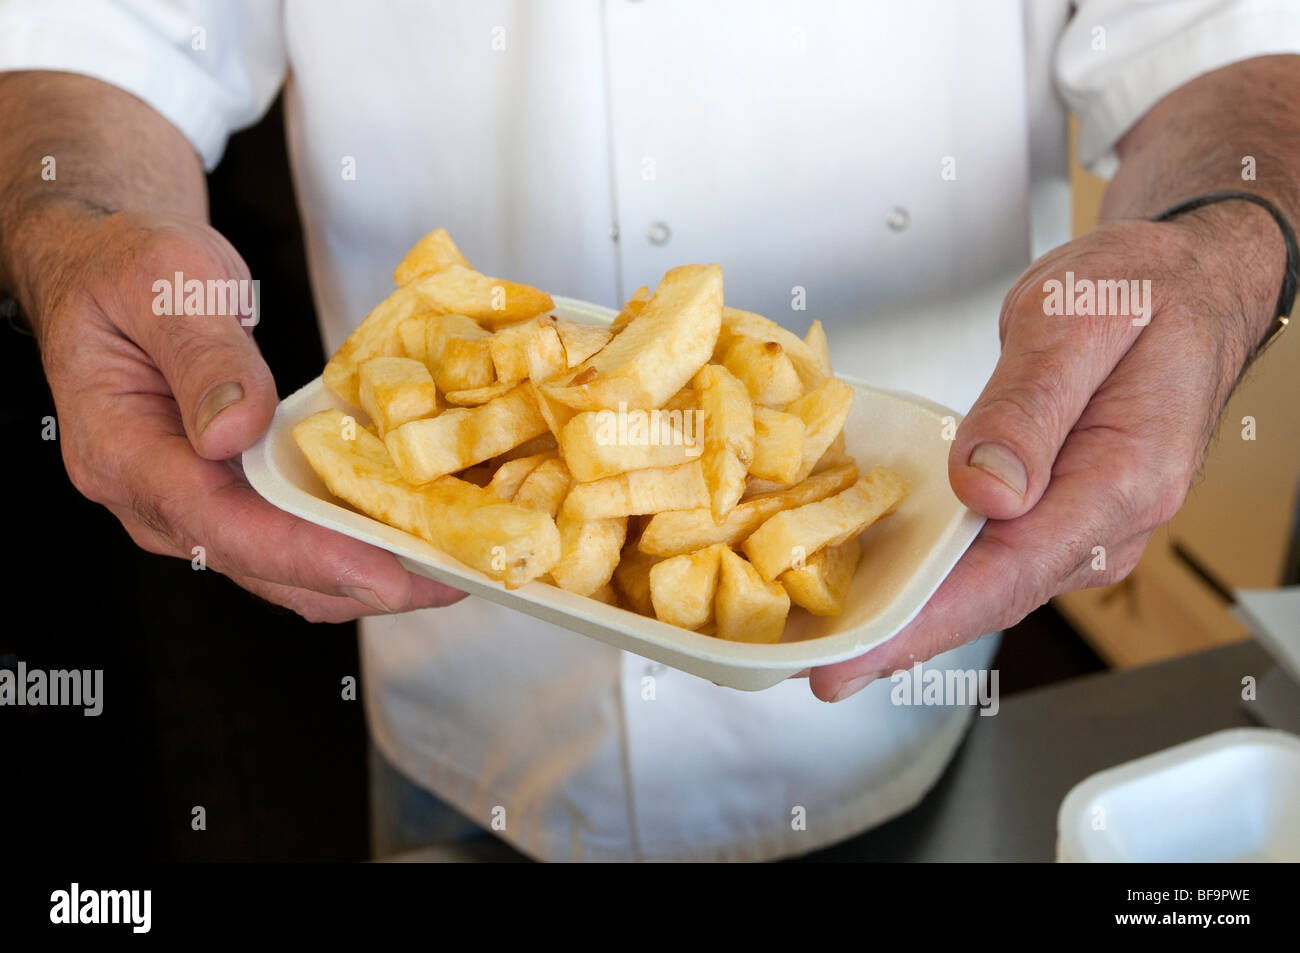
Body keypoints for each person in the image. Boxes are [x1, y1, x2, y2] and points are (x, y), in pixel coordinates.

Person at [1, 0, 1296, 862]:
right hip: (450, 686)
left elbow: (1232, 42)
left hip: (912, 654)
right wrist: (79, 226)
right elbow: (88, 37)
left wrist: (1219, 248)